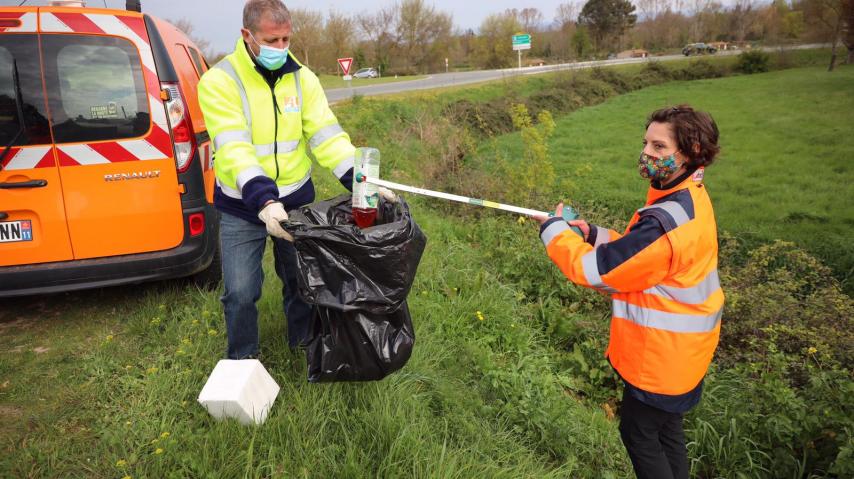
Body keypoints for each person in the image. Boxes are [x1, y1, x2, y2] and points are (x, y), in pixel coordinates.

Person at [535, 105, 724, 479]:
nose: (647, 154)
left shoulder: (666, 221)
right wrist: (592, 235)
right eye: (646, 143)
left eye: (659, 147)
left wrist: (554, 231)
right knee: (667, 433)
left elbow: (601, 271)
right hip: (686, 354)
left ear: (691, 152)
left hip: (661, 360)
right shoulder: (689, 197)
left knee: (639, 436)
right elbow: (640, 257)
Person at [198, 0, 393, 359]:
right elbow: (234, 147)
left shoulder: (304, 79)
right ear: (247, 35)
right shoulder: (219, 81)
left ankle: (302, 345)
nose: (281, 48)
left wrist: (361, 180)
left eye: (286, 39)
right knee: (240, 291)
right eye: (271, 40)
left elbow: (326, 136)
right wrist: (264, 200)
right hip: (243, 204)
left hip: (296, 201)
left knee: (301, 280)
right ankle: (242, 358)